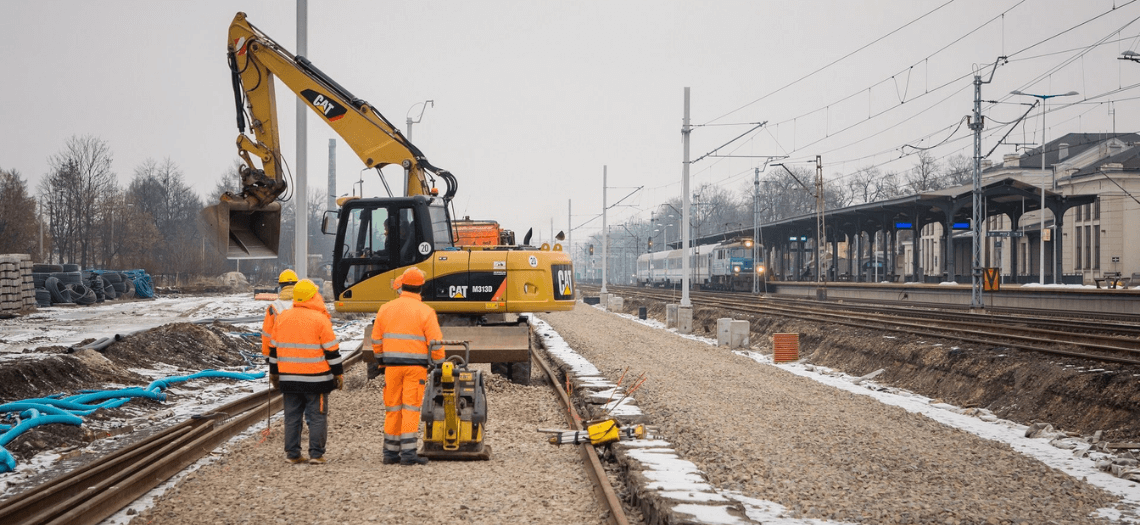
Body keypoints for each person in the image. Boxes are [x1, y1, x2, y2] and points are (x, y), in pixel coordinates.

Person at [369, 266, 443, 466]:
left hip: (391, 367)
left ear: (402, 285)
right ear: (421, 288)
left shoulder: (386, 308)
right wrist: (439, 363)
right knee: (410, 408)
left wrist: (381, 360)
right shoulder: (426, 311)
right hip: (415, 368)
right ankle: (409, 453)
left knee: (393, 408)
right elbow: (435, 342)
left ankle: (390, 453)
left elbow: (376, 339)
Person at [269, 279, 343, 464]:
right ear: (313, 297)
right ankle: (316, 455)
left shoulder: (283, 318)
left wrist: (274, 373)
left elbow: (273, 350)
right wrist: (338, 374)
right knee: (317, 417)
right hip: (316, 380)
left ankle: (293, 455)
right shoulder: (320, 319)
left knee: (291, 417)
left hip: (289, 380)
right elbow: (332, 351)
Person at [261, 269, 298, 358]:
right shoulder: (304, 304)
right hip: (304, 353)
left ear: (280, 286)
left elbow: (267, 333)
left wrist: (267, 355)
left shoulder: (273, 307)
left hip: (281, 353)